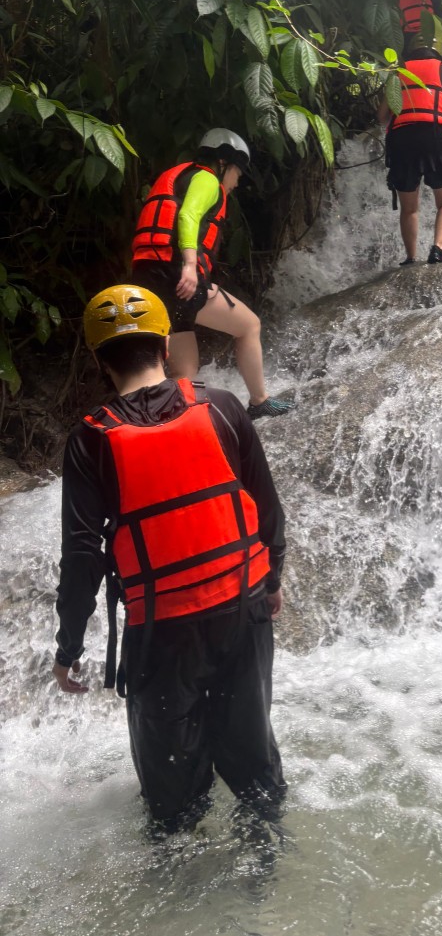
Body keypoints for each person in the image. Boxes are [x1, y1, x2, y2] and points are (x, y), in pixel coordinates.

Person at [52, 284, 288, 831]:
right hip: (244, 612)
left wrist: (69, 647)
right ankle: (264, 864)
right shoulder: (222, 406)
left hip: (161, 633)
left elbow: (82, 556)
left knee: (173, 802)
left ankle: (183, 873)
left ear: (99, 360)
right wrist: (272, 579)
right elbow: (268, 510)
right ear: (165, 344)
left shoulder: (91, 441)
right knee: (256, 773)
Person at [131, 127, 290, 421]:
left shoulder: (182, 176)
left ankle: (167, 424)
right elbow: (188, 215)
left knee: (184, 371)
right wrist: (190, 265)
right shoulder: (206, 178)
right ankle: (260, 402)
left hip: (150, 275)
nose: (237, 182)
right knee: (249, 325)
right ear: (223, 163)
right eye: (237, 173)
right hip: (175, 276)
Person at [377, 20, 442, 266]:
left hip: (401, 139)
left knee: (409, 208)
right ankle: (438, 249)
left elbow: (382, 116)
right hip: (435, 136)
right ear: (439, 49)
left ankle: (410, 257)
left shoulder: (398, 73)